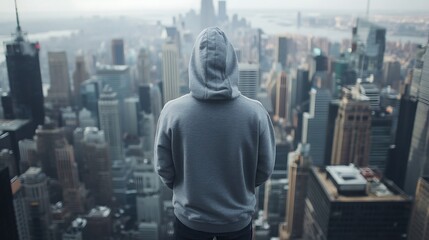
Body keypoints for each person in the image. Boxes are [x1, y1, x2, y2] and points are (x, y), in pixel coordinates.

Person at [154, 27, 275, 240]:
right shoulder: (255, 113)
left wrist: (189, 188)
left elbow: (164, 169)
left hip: (189, 223)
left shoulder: (172, 112)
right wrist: (238, 187)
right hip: (237, 224)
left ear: (194, 63)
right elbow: (264, 170)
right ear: (232, 62)